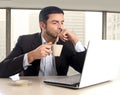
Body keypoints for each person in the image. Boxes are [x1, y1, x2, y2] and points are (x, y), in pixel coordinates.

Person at [0, 6, 86, 78]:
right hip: (31, 90)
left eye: (62, 22)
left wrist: (75, 41)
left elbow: (85, 70)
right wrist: (31, 56)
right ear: (42, 25)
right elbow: (2, 70)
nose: (60, 27)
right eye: (55, 23)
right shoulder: (25, 41)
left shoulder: (66, 43)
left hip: (58, 90)